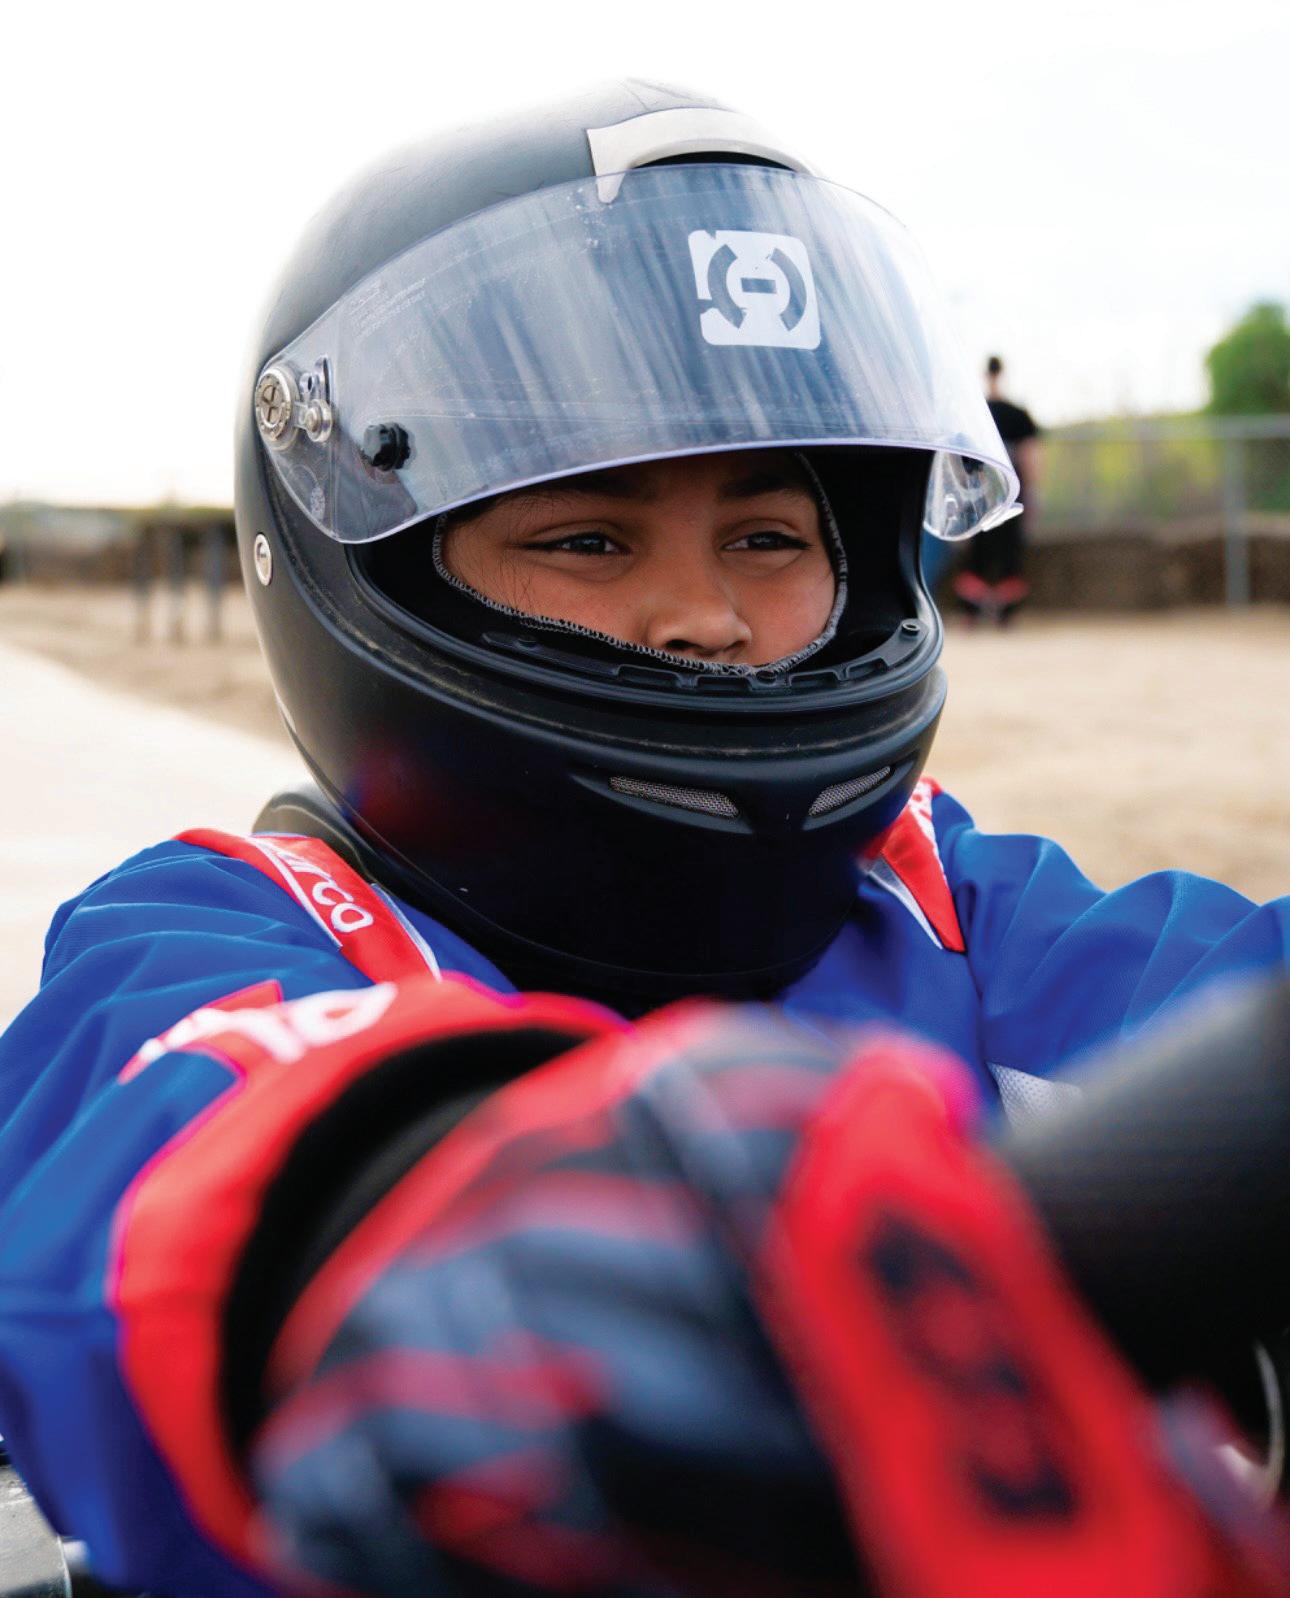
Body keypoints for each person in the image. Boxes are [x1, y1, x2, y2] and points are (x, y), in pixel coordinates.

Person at [0, 81, 1287, 1598]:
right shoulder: (212, 932)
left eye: (768, 537)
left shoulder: (956, 909)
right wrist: (467, 1254)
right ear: (376, 571)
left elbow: (1227, 994)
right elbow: (163, 1156)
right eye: (588, 539)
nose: (706, 617)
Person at [953, 356, 1041, 624]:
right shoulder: (1016, 415)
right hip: (1010, 493)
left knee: (979, 552)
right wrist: (1033, 492)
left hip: (978, 493)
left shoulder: (974, 413)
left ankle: (974, 611)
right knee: (1007, 553)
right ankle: (1003, 613)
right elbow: (1030, 456)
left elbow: (958, 458)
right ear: (1002, 374)